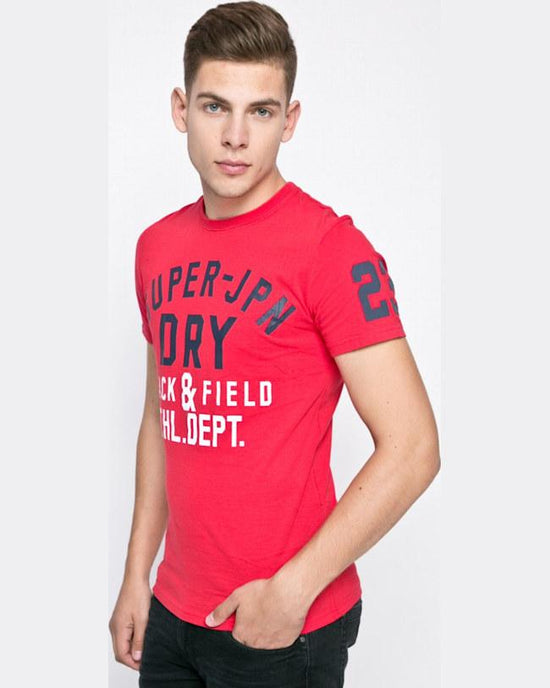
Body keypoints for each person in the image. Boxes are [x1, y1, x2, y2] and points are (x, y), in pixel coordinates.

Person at [109, 2, 440, 686]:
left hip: (281, 626)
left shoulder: (332, 251)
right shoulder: (156, 248)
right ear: (181, 109)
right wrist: (137, 574)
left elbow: (414, 448)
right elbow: (164, 416)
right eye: (214, 107)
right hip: (174, 611)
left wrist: (292, 592)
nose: (235, 137)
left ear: (289, 121)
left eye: (260, 112)